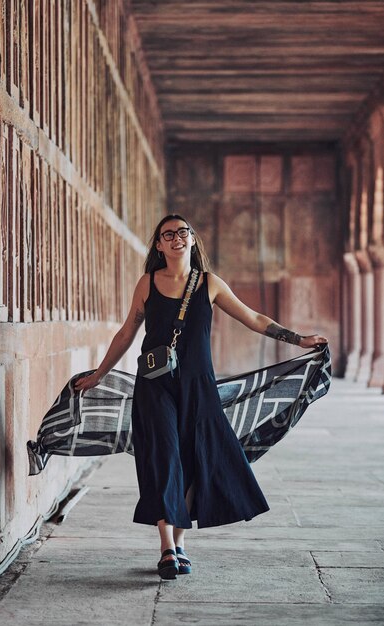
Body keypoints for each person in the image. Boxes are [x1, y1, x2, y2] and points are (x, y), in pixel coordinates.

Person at [74, 214, 328, 580]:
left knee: (195, 460)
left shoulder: (209, 284)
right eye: (168, 235)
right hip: (155, 386)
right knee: (164, 457)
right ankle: (166, 547)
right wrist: (99, 373)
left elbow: (253, 318)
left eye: (183, 232)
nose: (176, 238)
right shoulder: (147, 283)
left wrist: (298, 339)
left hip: (199, 387)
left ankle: (179, 544)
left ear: (193, 239)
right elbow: (127, 333)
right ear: (158, 245)